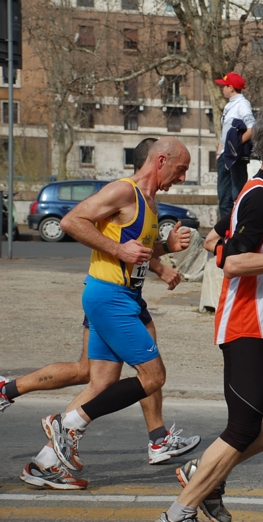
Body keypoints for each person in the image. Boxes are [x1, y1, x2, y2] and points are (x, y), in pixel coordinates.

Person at [154, 108, 263, 522]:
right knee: (241, 429)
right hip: (245, 327)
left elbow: (220, 238)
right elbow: (231, 262)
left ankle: (208, 475)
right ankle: (179, 511)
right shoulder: (261, 197)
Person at [0, 139, 200, 490]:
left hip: (125, 297)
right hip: (110, 298)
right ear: (162, 160)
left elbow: (134, 250)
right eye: (180, 169)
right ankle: (67, 424)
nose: (182, 178)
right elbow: (71, 221)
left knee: (100, 381)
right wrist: (117, 248)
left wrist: (163, 253)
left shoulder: (149, 203)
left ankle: (45, 464)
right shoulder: (124, 191)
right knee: (153, 377)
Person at [214, 72, 255, 219]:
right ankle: (226, 233)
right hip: (225, 155)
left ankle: (235, 231)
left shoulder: (242, 104)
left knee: (236, 196)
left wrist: (235, 145)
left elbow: (252, 128)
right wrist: (219, 152)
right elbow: (224, 133)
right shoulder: (229, 106)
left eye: (224, 86)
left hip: (234, 156)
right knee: (224, 199)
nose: (222, 89)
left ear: (231, 88)